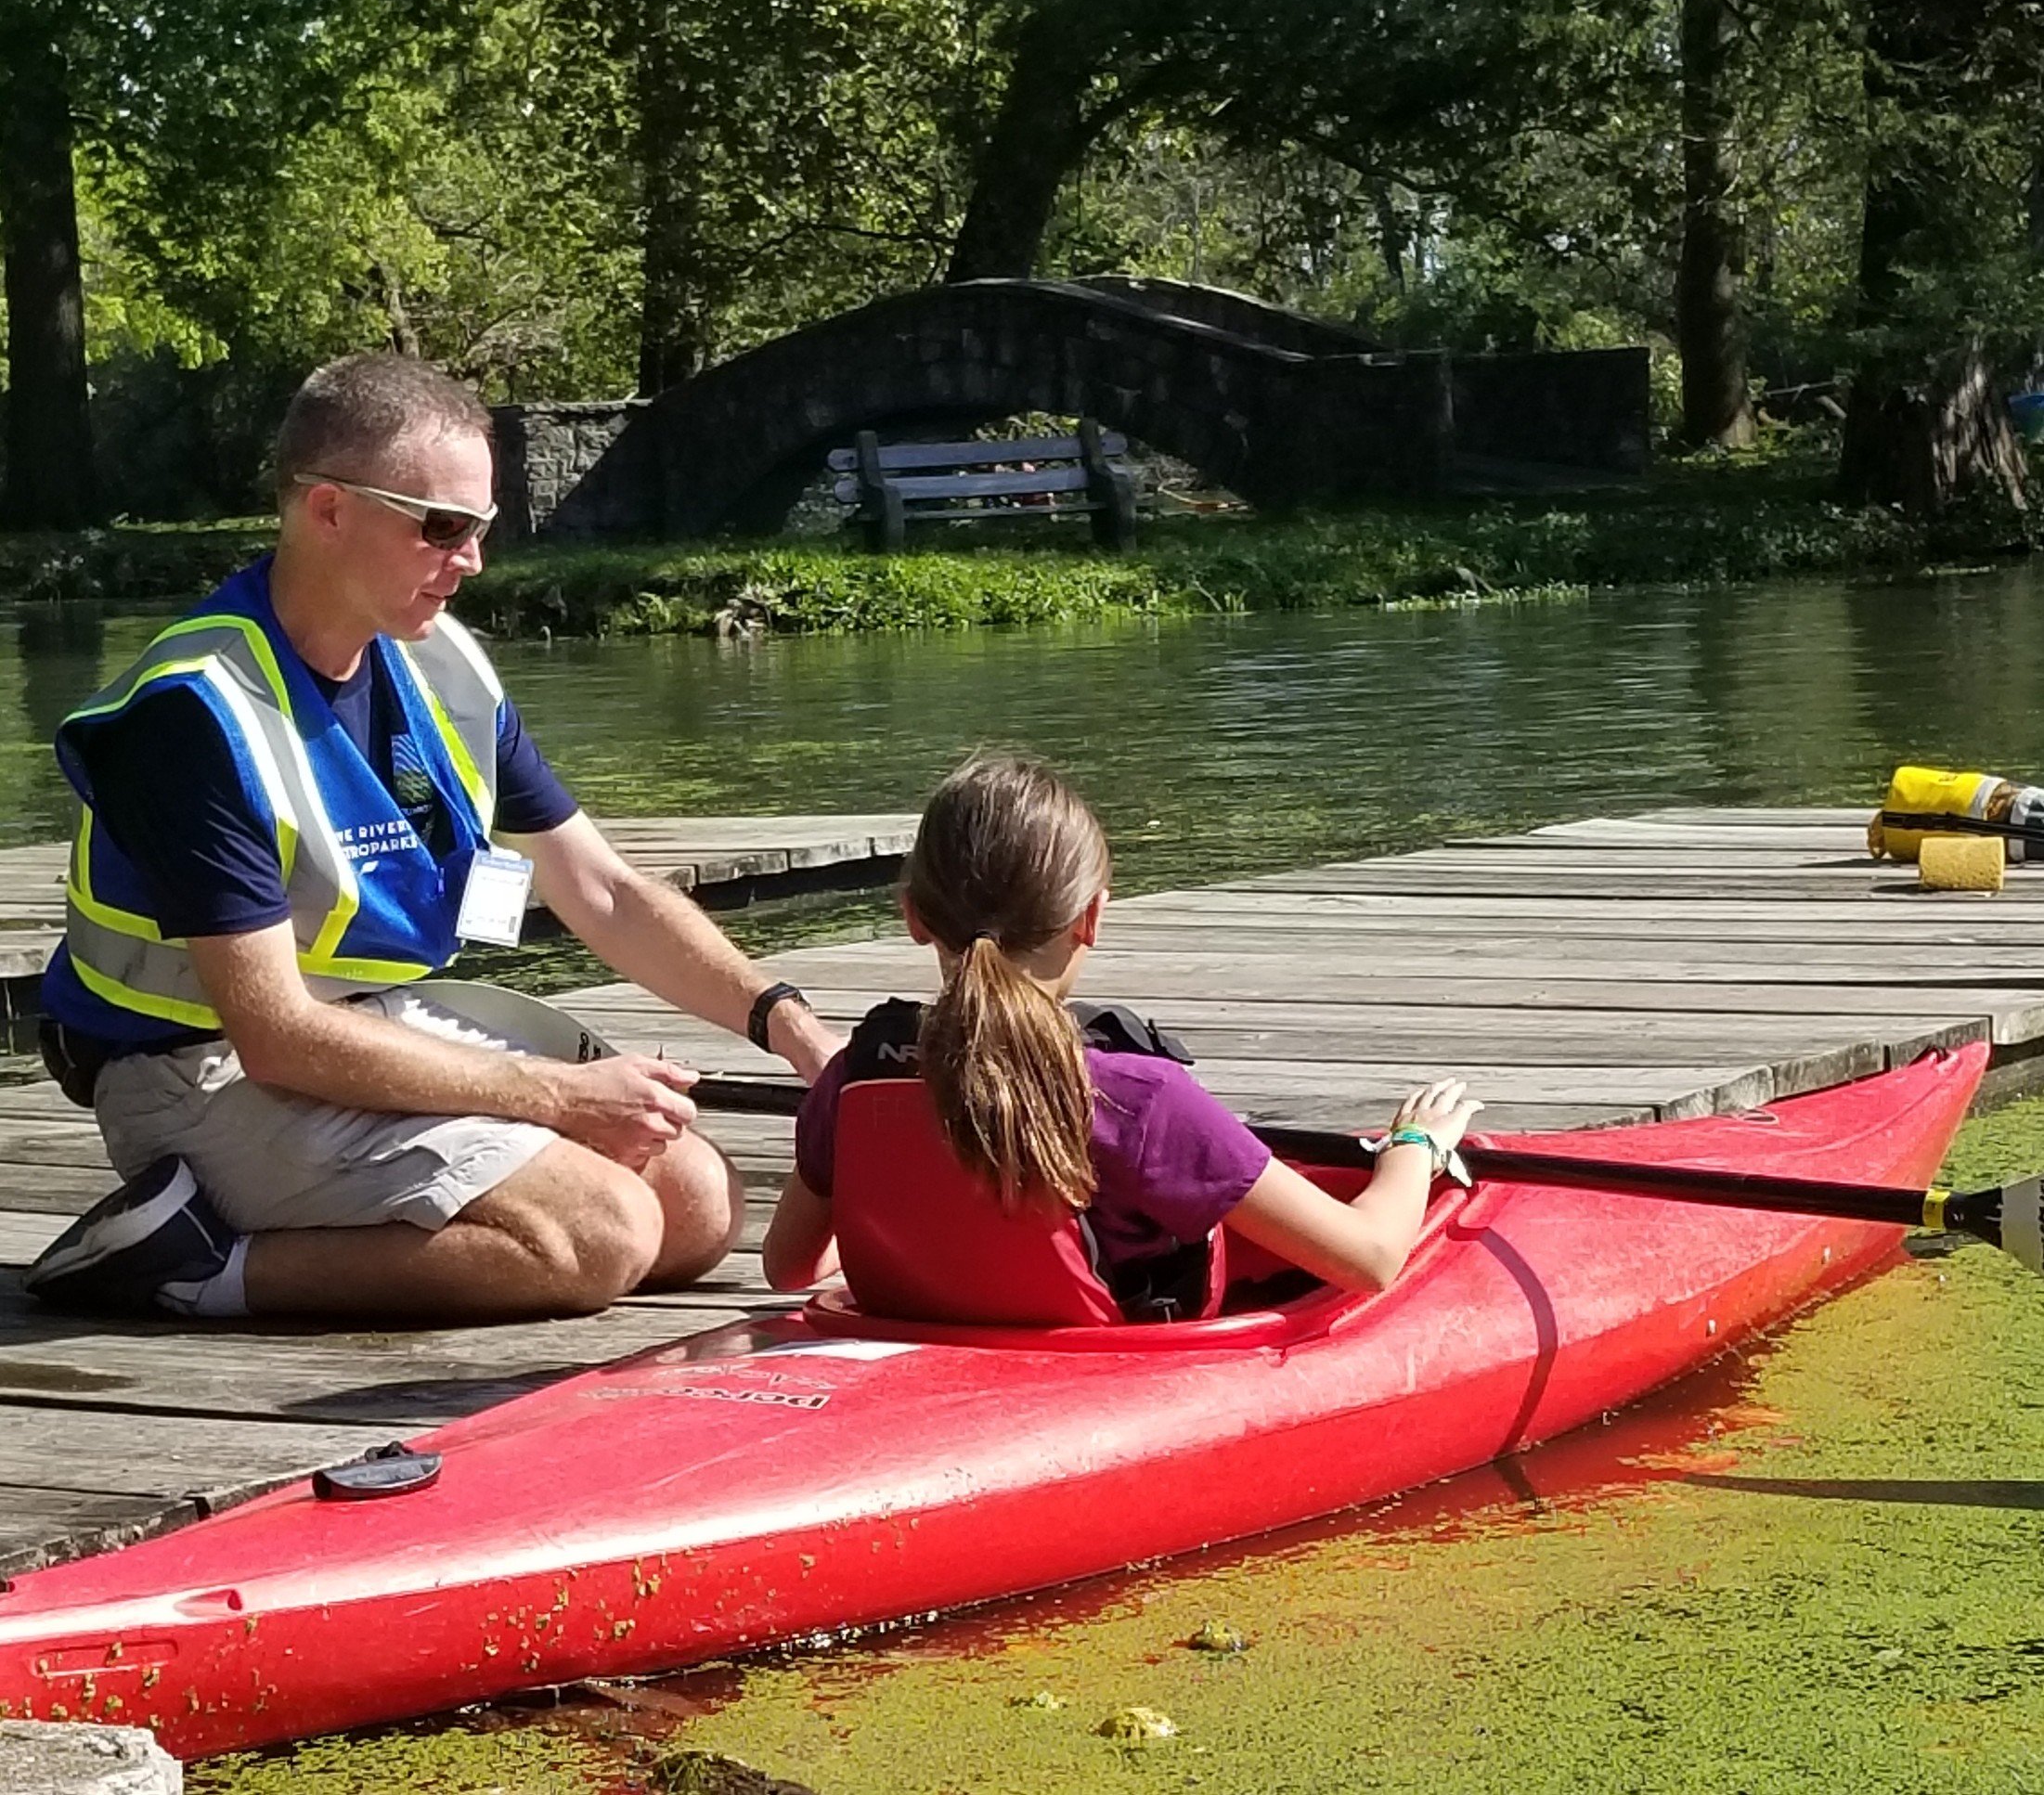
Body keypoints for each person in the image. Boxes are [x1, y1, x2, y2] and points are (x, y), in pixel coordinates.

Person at [27, 353, 838, 1324]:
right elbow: (274, 1035)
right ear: (329, 510)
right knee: (599, 1234)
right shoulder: (193, 714)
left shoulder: (442, 668)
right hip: (194, 1073)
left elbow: (605, 891)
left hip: (365, 1026)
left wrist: (795, 1029)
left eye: (484, 527)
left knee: (700, 1206)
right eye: (443, 527)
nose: (473, 560)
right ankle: (179, 1264)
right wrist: (556, 1096)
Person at [761, 755, 1481, 1324]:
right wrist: (1414, 1146)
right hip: (1097, 1365)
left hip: (926, 1345)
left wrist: (915, 1238)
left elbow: (789, 1266)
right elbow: (1371, 1258)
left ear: (915, 917)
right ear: (1091, 918)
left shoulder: (857, 1073)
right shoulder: (1140, 1098)